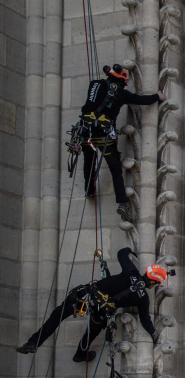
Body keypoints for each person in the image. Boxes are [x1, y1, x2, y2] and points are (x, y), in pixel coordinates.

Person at [16, 247, 168, 362]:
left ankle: (33, 342)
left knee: (57, 315)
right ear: (153, 281)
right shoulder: (143, 298)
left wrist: (130, 251)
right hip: (101, 312)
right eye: (157, 284)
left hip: (86, 297)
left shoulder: (131, 271)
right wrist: (154, 335)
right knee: (91, 333)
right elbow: (145, 319)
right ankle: (80, 354)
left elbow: (121, 253)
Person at [81, 64, 165, 221]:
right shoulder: (121, 93)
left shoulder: (95, 84)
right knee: (115, 169)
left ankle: (89, 190)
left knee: (89, 159)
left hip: (86, 131)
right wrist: (157, 97)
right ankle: (122, 204)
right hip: (103, 135)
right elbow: (140, 100)